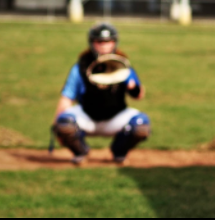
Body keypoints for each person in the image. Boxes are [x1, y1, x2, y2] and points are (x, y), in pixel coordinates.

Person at [52, 22, 150, 164]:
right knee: (64, 122)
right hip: (87, 117)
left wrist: (133, 87)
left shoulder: (122, 65)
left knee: (141, 124)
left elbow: (139, 95)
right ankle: (81, 152)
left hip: (115, 117)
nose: (104, 45)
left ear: (114, 43)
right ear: (92, 43)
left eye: (108, 41)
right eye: (99, 42)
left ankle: (119, 152)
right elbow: (66, 98)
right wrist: (57, 126)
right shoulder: (81, 67)